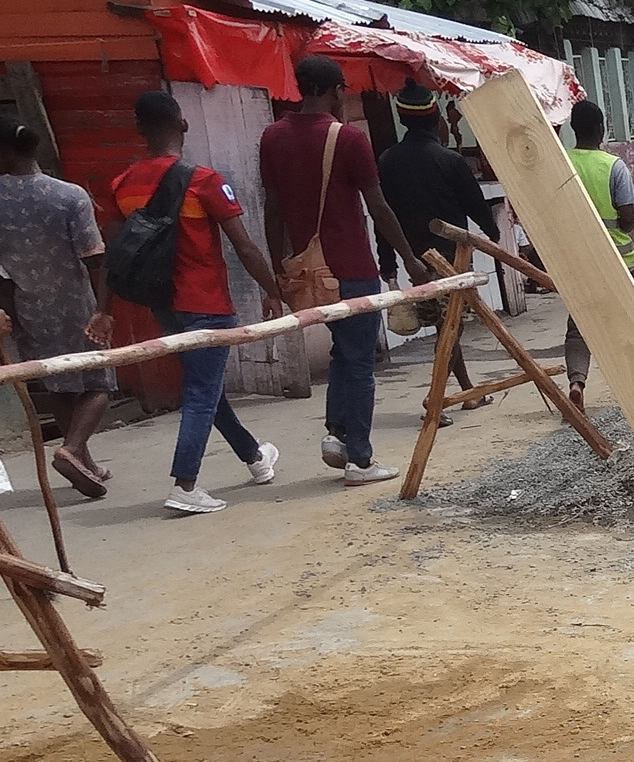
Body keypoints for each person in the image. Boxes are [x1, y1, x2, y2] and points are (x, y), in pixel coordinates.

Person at [109, 92, 288, 515]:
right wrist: (273, 290)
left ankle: (255, 457)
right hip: (206, 302)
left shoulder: (123, 184)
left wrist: (104, 307)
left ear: (140, 129)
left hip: (163, 304)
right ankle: (185, 484)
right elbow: (243, 246)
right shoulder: (203, 179)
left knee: (207, 389)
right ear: (182, 124)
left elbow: (114, 255)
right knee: (202, 392)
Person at [260, 53, 427, 485]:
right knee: (358, 362)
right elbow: (378, 206)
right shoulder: (348, 139)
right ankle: (361, 459)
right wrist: (408, 257)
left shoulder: (272, 137)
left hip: (305, 269)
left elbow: (272, 208)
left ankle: (336, 435)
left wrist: (278, 266)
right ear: (336, 90)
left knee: (342, 352)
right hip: (351, 267)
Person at [0, 122, 115, 497]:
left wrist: (9, 313)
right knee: (99, 383)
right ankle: (70, 450)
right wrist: (104, 309)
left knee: (59, 383)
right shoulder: (69, 196)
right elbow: (96, 258)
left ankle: (86, 460)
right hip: (76, 303)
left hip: (28, 304)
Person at [375, 81, 496, 406]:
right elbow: (476, 206)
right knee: (449, 329)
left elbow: (382, 215)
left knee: (448, 328)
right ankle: (436, 398)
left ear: (402, 119)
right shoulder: (449, 160)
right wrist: (494, 234)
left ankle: (467, 391)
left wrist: (387, 264)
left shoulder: (387, 161)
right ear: (436, 118)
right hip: (450, 260)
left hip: (414, 261)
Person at [562, 99, 634, 410]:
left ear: (572, 128)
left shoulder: (562, 163)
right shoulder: (613, 166)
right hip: (618, 261)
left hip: (577, 262)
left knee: (579, 328)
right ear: (600, 129)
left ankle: (577, 382)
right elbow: (628, 219)